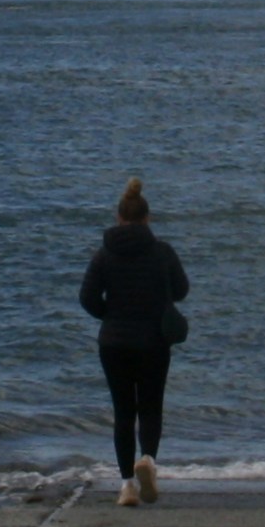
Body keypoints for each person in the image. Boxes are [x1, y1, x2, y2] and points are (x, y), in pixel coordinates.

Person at [76, 176, 188, 509]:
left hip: (114, 342)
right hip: (154, 340)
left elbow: (87, 297)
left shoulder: (104, 254)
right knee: (151, 406)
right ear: (146, 218)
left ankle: (126, 486)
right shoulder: (162, 252)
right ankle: (149, 460)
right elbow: (182, 290)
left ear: (119, 218)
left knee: (123, 412)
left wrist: (109, 315)